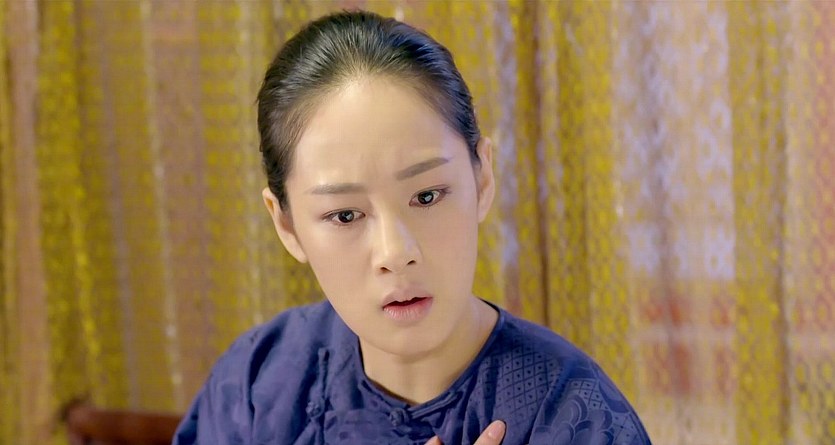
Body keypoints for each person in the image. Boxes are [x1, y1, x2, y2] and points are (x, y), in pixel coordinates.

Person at [173, 10, 651, 445]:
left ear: (482, 179)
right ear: (286, 224)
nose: (395, 252)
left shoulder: (578, 419)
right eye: (345, 215)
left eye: (426, 196)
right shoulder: (257, 383)